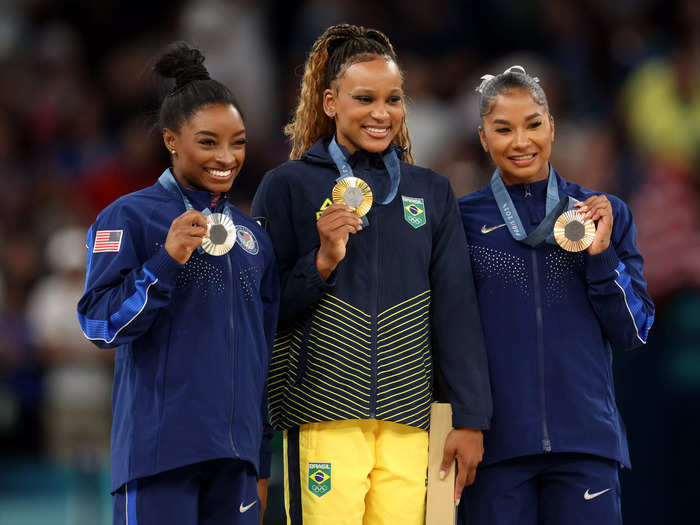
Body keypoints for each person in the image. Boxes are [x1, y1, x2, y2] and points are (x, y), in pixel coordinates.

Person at [251, 24, 492, 525]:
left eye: (394, 99)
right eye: (365, 98)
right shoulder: (287, 187)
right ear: (331, 102)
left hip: (408, 417)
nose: (382, 114)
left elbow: (456, 310)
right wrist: (319, 263)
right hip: (321, 412)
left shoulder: (430, 192)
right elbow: (259, 311)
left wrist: (470, 418)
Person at [76, 42, 279, 525]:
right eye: (208, 142)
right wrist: (165, 261)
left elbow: (263, 352)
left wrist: (261, 458)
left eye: (238, 142)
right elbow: (98, 324)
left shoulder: (253, 238)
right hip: (159, 453)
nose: (226, 158)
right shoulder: (129, 217)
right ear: (171, 140)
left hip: (236, 462)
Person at [457, 65, 655, 525]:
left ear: (553, 126)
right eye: (502, 129)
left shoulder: (602, 214)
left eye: (533, 124)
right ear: (483, 138)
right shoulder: (461, 221)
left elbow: (633, 332)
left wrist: (601, 257)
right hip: (496, 448)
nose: (520, 141)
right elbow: (449, 330)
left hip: (585, 442)